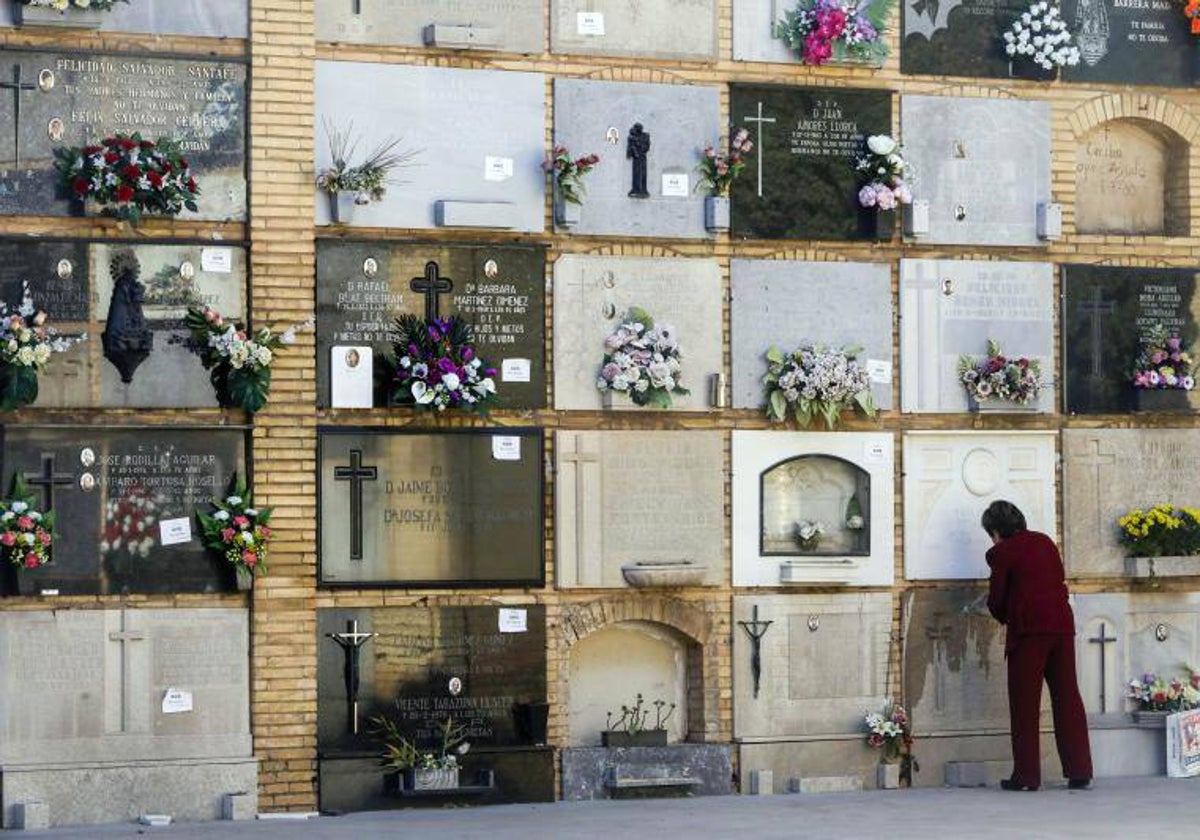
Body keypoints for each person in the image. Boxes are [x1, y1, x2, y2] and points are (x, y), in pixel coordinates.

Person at [982, 500, 1093, 792]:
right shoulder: (1044, 542)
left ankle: (1027, 777)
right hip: (1062, 625)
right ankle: (1080, 770)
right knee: (1068, 696)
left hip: (1029, 631)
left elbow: (996, 600)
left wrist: (1007, 613)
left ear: (995, 530)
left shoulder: (1002, 552)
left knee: (1025, 703)